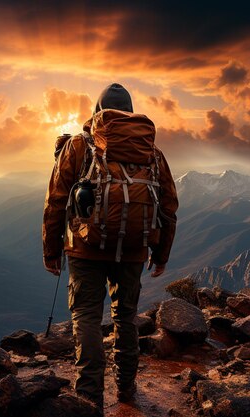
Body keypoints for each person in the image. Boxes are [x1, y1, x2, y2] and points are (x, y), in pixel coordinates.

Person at [42, 83, 178, 409]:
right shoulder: (151, 152)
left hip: (84, 248)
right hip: (133, 249)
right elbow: (168, 207)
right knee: (126, 317)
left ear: (97, 111)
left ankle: (89, 397)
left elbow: (57, 200)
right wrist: (161, 254)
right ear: (130, 111)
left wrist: (51, 250)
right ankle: (127, 390)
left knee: (87, 316)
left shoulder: (79, 145)